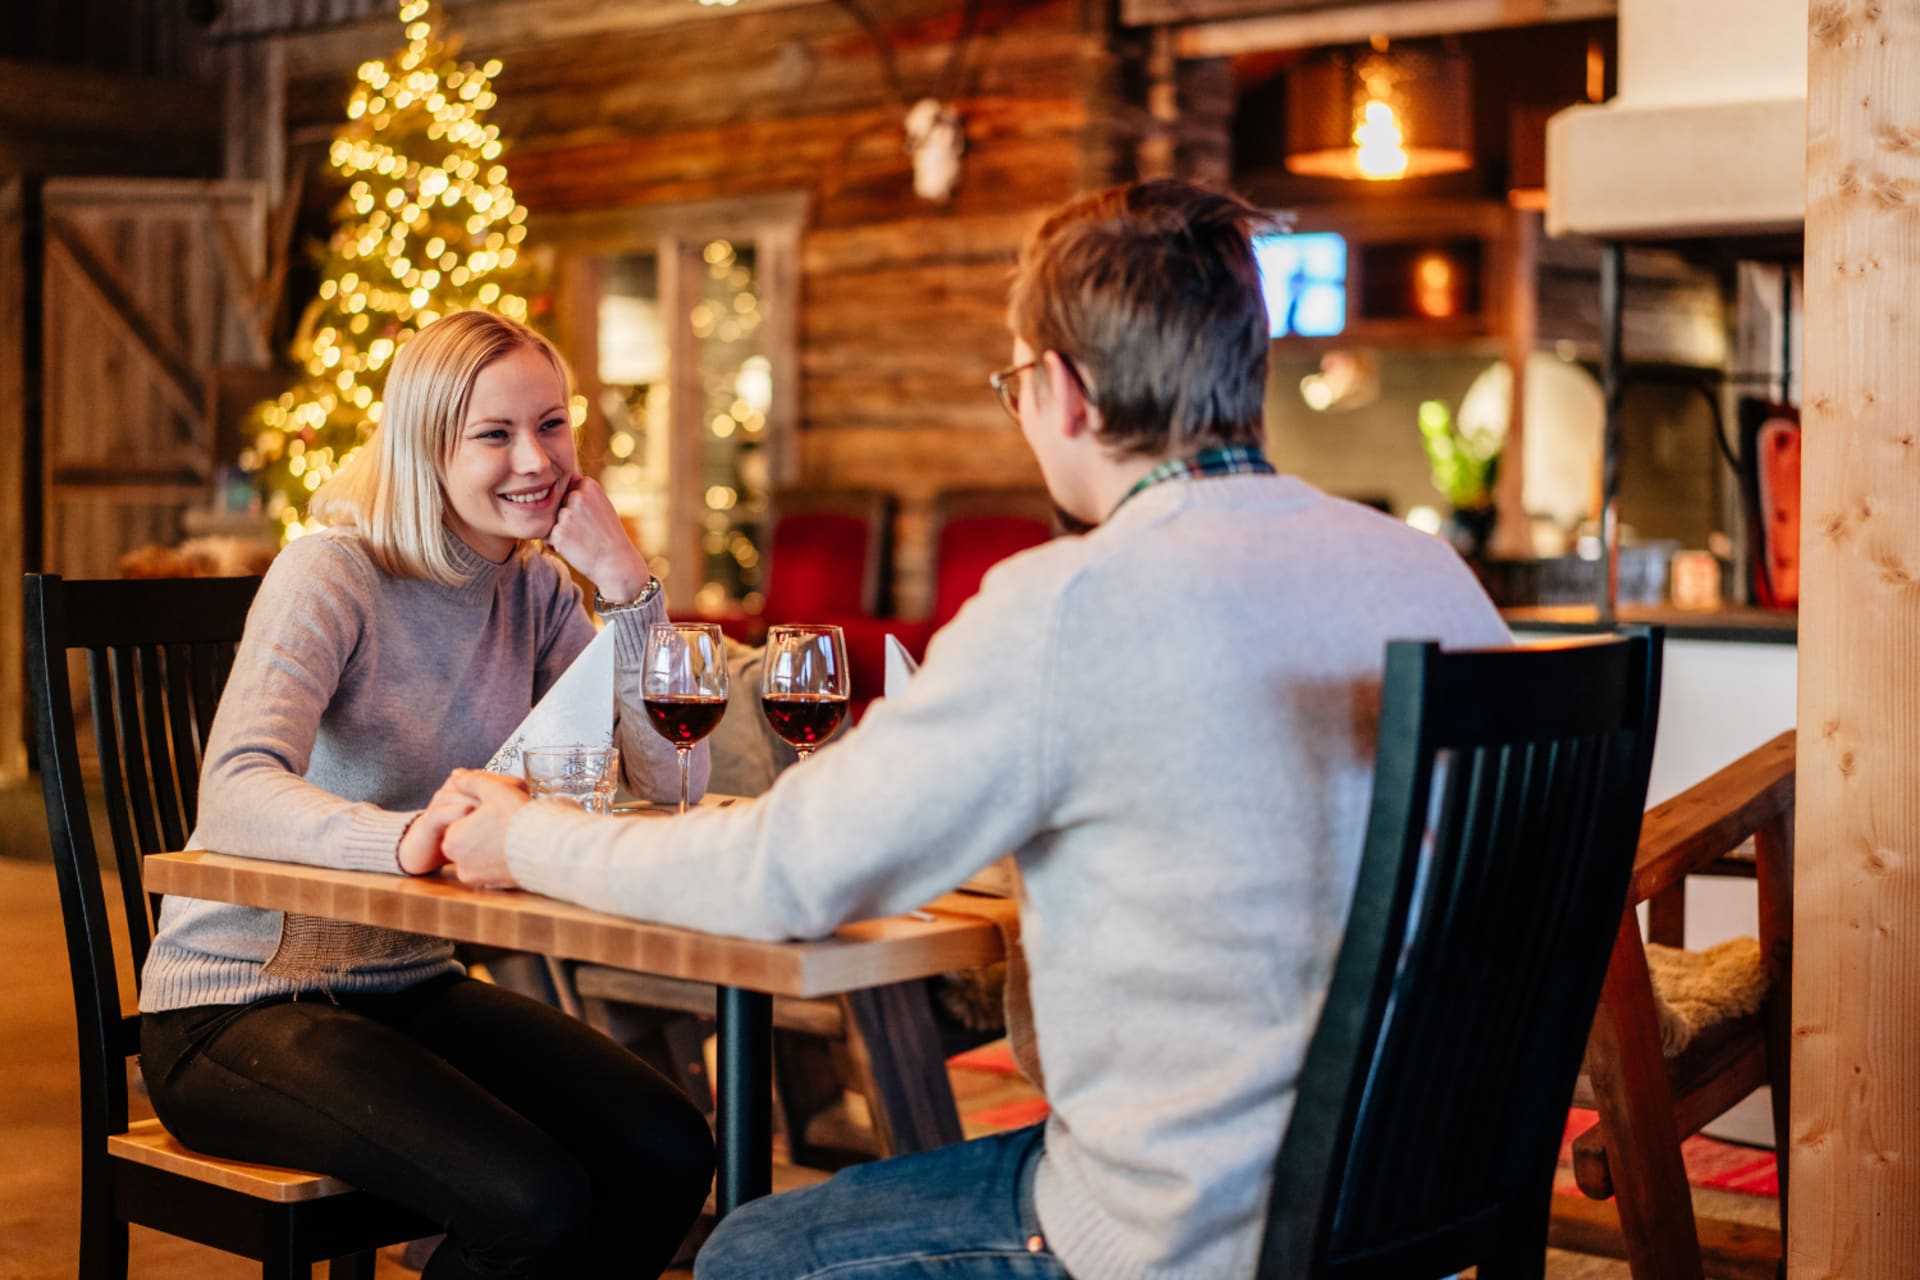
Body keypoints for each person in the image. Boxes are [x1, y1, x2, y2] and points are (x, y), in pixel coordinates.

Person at [437, 180, 1512, 1280]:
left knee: (750, 1252)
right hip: (1417, 1196)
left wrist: (524, 837)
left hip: (1182, 1233)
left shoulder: (1071, 599)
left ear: (1068, 392)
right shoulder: (1427, 575)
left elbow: (783, 873)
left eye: (1016, 381)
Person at [137, 310, 716, 1279]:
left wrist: (626, 583)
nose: (534, 458)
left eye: (553, 423)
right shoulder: (333, 569)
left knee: (668, 1148)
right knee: (532, 1201)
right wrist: (404, 838)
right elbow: (233, 789)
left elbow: (676, 777)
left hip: (406, 984)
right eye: (494, 433)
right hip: (238, 1004)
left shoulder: (531, 588)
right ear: (426, 444)